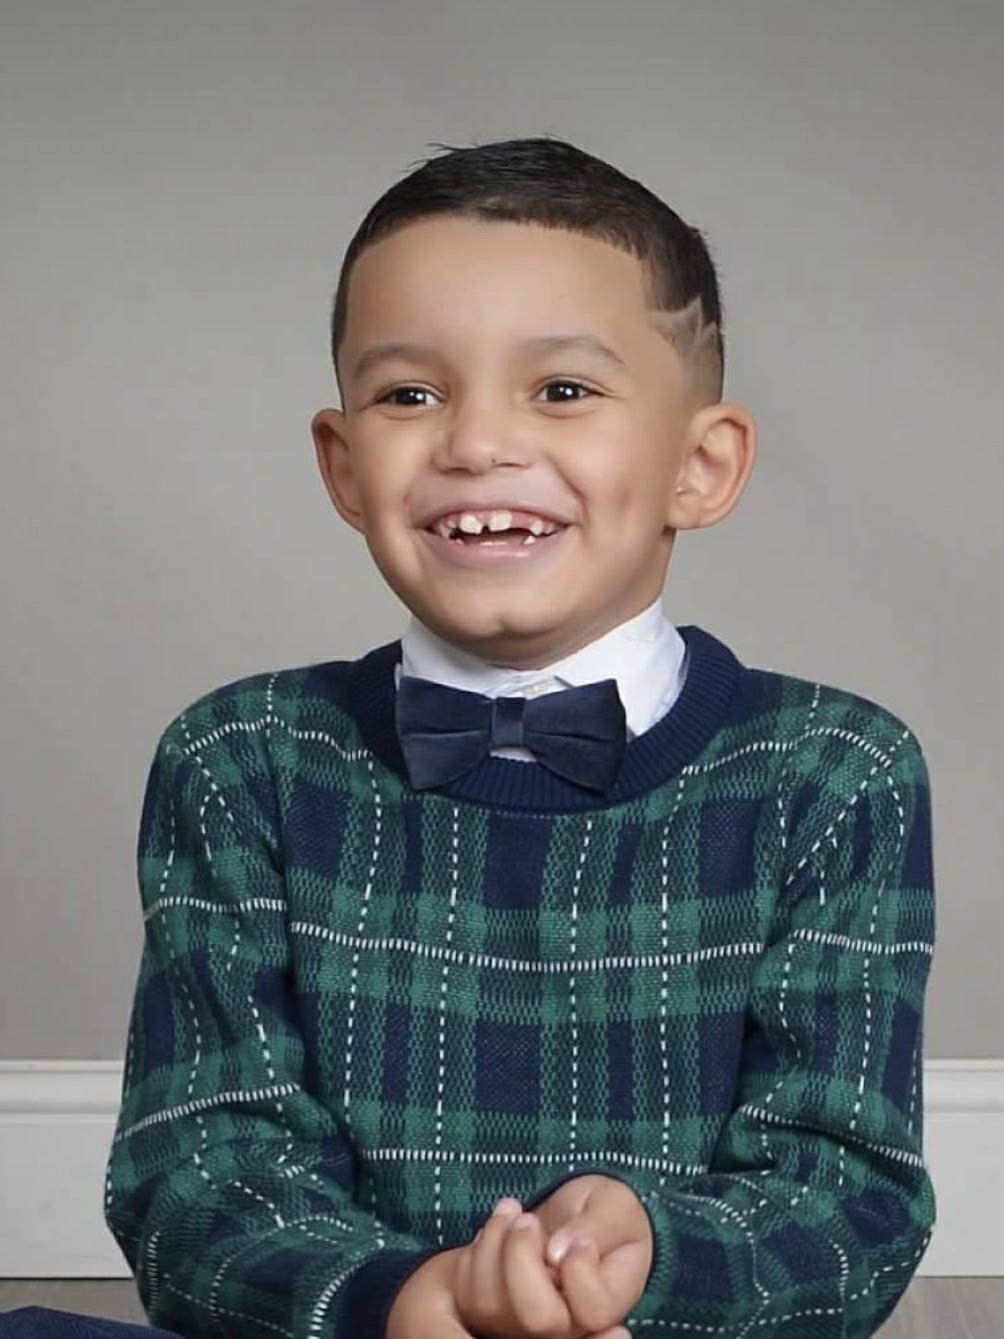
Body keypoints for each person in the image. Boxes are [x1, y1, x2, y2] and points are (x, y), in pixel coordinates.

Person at [5, 135, 936, 1339]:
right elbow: (199, 1174)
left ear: (698, 467)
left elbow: (844, 1198)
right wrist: (407, 1300)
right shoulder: (241, 756)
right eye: (409, 393)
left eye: (560, 389)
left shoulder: (832, 770)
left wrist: (648, 1255)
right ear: (343, 466)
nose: (476, 442)